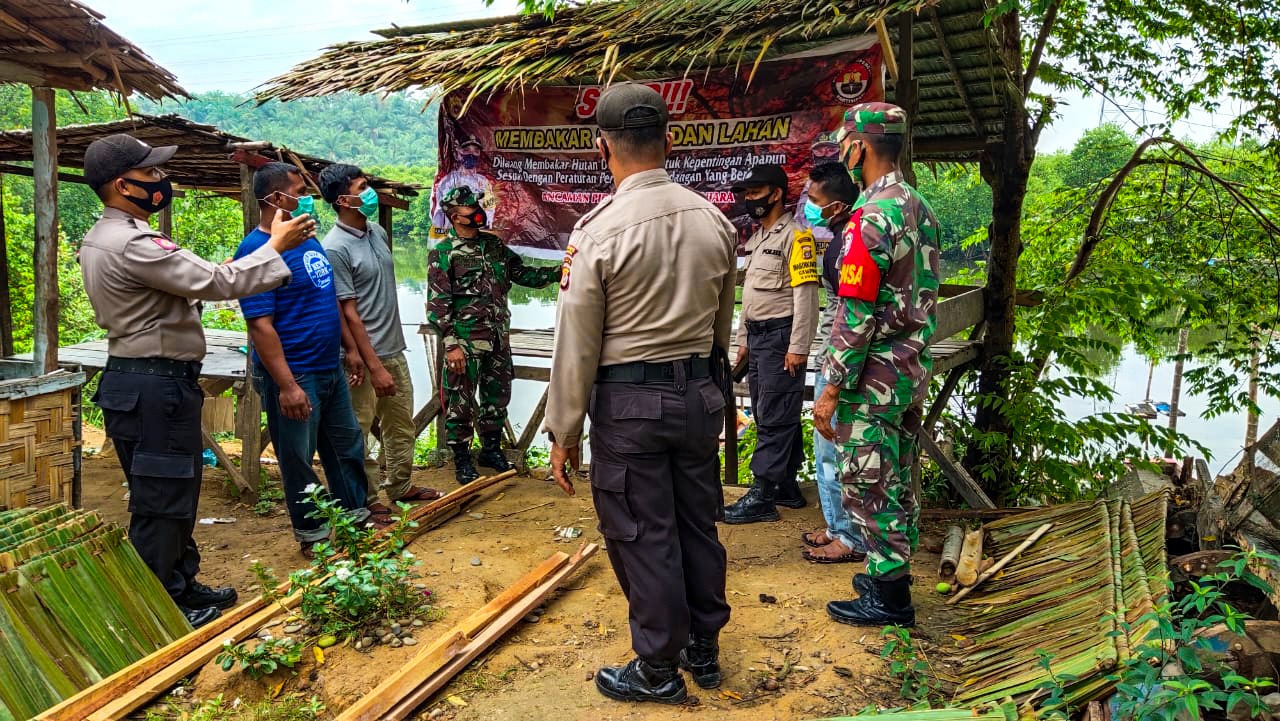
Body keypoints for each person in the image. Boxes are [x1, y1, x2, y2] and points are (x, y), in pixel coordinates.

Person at [543, 83, 738, 705]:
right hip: (698, 397)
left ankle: (657, 669)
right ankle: (702, 647)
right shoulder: (715, 220)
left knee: (640, 533)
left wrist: (564, 430)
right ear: (670, 140)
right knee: (696, 523)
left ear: (603, 146)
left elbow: (577, 340)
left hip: (631, 409)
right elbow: (720, 323)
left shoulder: (598, 231)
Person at [79, 134, 315, 628]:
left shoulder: (109, 235)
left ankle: (181, 584)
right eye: (151, 174)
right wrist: (276, 245)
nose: (161, 181)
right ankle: (160, 611)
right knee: (162, 501)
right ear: (123, 184)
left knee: (176, 492)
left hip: (149, 382)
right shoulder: (132, 241)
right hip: (152, 385)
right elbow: (218, 281)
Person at [813, 103, 941, 627]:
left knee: (869, 481)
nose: (843, 151)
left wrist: (832, 388)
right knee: (898, 477)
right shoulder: (918, 207)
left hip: (874, 379)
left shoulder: (869, 217)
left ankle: (888, 599)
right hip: (910, 371)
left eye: (845, 143)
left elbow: (856, 312)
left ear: (859, 147)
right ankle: (891, 574)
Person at [234, 162, 378, 559]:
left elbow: (328, 297)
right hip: (296, 373)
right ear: (279, 198)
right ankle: (313, 535)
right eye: (301, 190)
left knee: (346, 443)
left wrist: (349, 349)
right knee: (298, 459)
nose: (308, 198)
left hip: (328, 366)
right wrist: (287, 386)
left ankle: (354, 519)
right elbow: (260, 325)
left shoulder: (309, 241)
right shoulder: (256, 251)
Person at [318, 164, 442, 515]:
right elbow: (348, 313)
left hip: (394, 349)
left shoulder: (376, 233)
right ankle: (368, 500)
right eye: (362, 187)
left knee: (400, 424)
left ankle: (400, 487)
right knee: (357, 433)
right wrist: (372, 365)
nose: (369, 191)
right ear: (344, 200)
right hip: (363, 360)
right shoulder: (334, 248)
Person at [426, 185, 561, 484]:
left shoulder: (494, 247)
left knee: (497, 397)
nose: (477, 212)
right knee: (460, 400)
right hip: (465, 342)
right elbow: (437, 306)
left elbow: (524, 274)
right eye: (469, 209)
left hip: (499, 339)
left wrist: (559, 272)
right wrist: (451, 345)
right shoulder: (444, 253)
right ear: (454, 216)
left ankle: (490, 449)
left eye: (477, 206)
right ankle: (461, 458)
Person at [722, 163, 818, 524]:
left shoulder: (797, 238)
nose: (749, 199)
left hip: (782, 338)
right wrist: (743, 341)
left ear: (776, 193)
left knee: (776, 414)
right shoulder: (760, 237)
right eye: (747, 193)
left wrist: (799, 347)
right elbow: (750, 299)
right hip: (759, 338)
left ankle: (762, 494)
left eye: (756, 192)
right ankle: (787, 486)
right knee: (767, 413)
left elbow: (806, 297)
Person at [799, 162, 868, 564]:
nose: (809, 206)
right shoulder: (837, 240)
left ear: (838, 205)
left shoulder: (853, 243)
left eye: (815, 200)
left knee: (836, 449)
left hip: (841, 359)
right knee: (824, 446)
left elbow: (852, 312)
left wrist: (835, 368)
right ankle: (835, 523)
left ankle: (849, 535)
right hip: (831, 353)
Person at [431, 135, 497, 233]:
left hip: (476, 235)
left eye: (476, 151)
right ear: (458, 154)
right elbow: (438, 213)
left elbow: (489, 211)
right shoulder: (447, 181)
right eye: (466, 150)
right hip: (452, 235)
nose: (472, 154)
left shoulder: (484, 182)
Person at [793, 132, 843, 244]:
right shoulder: (810, 185)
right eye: (819, 151)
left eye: (830, 150)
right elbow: (800, 220)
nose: (825, 154)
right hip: (812, 246)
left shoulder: (849, 181)